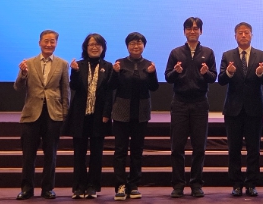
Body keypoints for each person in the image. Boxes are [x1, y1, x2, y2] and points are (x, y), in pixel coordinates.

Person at [165, 17, 218, 198]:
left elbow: (213, 77)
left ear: (201, 31)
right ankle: (178, 185)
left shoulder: (208, 52)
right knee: (177, 147)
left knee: (199, 147)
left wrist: (206, 73)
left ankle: (196, 184)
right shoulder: (176, 52)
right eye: (189, 28)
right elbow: (168, 77)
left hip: (200, 104)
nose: (192, 31)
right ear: (184, 31)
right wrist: (176, 72)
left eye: (196, 28)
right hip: (180, 103)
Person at [14, 30, 70, 200]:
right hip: (32, 114)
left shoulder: (62, 64)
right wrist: (23, 73)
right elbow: (17, 87)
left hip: (53, 114)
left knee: (50, 154)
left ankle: (48, 189)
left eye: (52, 41)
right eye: (46, 41)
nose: (49, 44)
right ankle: (27, 189)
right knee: (28, 155)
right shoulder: (28, 63)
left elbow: (65, 90)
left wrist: (65, 114)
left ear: (56, 44)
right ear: (39, 43)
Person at [219, 22, 263, 197]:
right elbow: (221, 80)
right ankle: (236, 183)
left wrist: (260, 73)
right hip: (233, 110)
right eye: (240, 33)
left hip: (254, 109)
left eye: (246, 32)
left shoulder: (261, 55)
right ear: (235, 36)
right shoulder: (227, 55)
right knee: (234, 149)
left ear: (251, 35)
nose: (243, 35)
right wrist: (229, 72)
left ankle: (251, 183)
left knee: (253, 149)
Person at [63, 33, 114, 199]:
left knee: (97, 154)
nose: (94, 47)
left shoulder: (108, 66)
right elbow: (74, 86)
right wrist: (74, 72)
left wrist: (107, 113)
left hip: (99, 116)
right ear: (85, 47)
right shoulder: (79, 65)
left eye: (98, 45)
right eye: (91, 44)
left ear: (103, 48)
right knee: (79, 153)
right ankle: (79, 187)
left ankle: (93, 186)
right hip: (80, 115)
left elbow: (109, 93)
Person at [110, 32, 159, 201]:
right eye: (132, 43)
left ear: (144, 46)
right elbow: (111, 86)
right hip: (121, 112)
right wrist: (115, 73)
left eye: (139, 43)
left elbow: (154, 88)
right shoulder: (120, 63)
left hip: (141, 113)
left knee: (137, 151)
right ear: (127, 46)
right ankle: (120, 185)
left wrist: (152, 73)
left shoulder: (149, 64)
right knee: (120, 150)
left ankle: (134, 184)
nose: (135, 46)